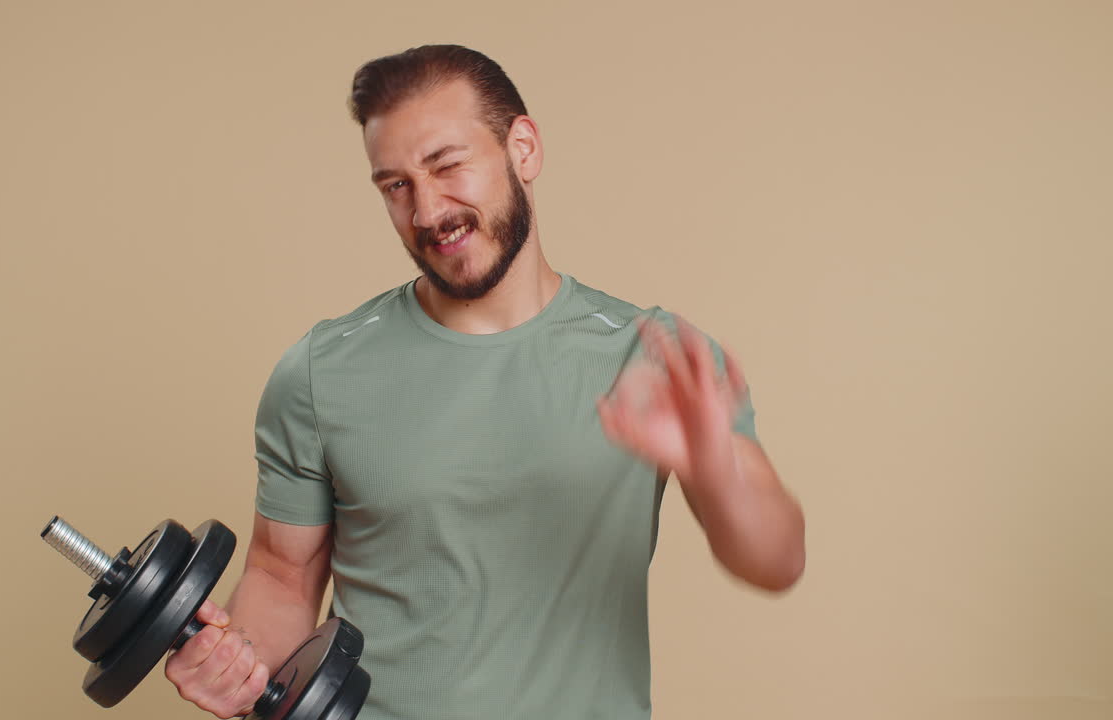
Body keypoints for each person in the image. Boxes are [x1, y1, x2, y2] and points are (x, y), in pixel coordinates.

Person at [165, 45, 805, 720]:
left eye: (447, 166)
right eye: (395, 185)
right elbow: (281, 577)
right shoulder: (321, 370)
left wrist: (713, 467)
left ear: (522, 148)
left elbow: (777, 559)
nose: (426, 210)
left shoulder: (651, 356)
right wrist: (233, 667)